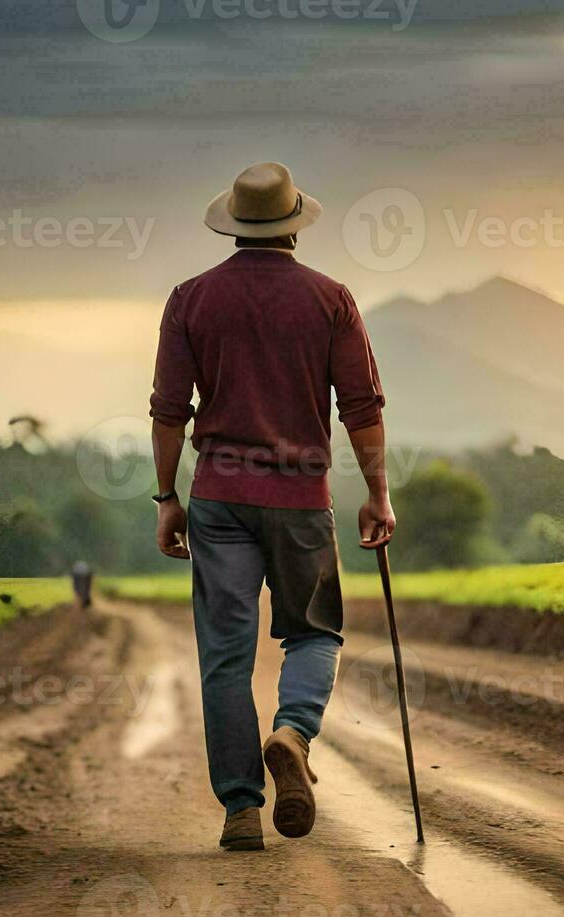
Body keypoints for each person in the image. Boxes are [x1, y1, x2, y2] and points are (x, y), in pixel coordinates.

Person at [148, 162, 395, 853]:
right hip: (300, 500)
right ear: (294, 224)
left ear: (233, 223)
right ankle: (291, 733)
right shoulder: (331, 299)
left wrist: (167, 498)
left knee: (225, 656)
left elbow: (170, 412)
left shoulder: (190, 299)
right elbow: (362, 409)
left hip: (218, 499)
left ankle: (240, 811)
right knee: (314, 633)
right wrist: (377, 494)